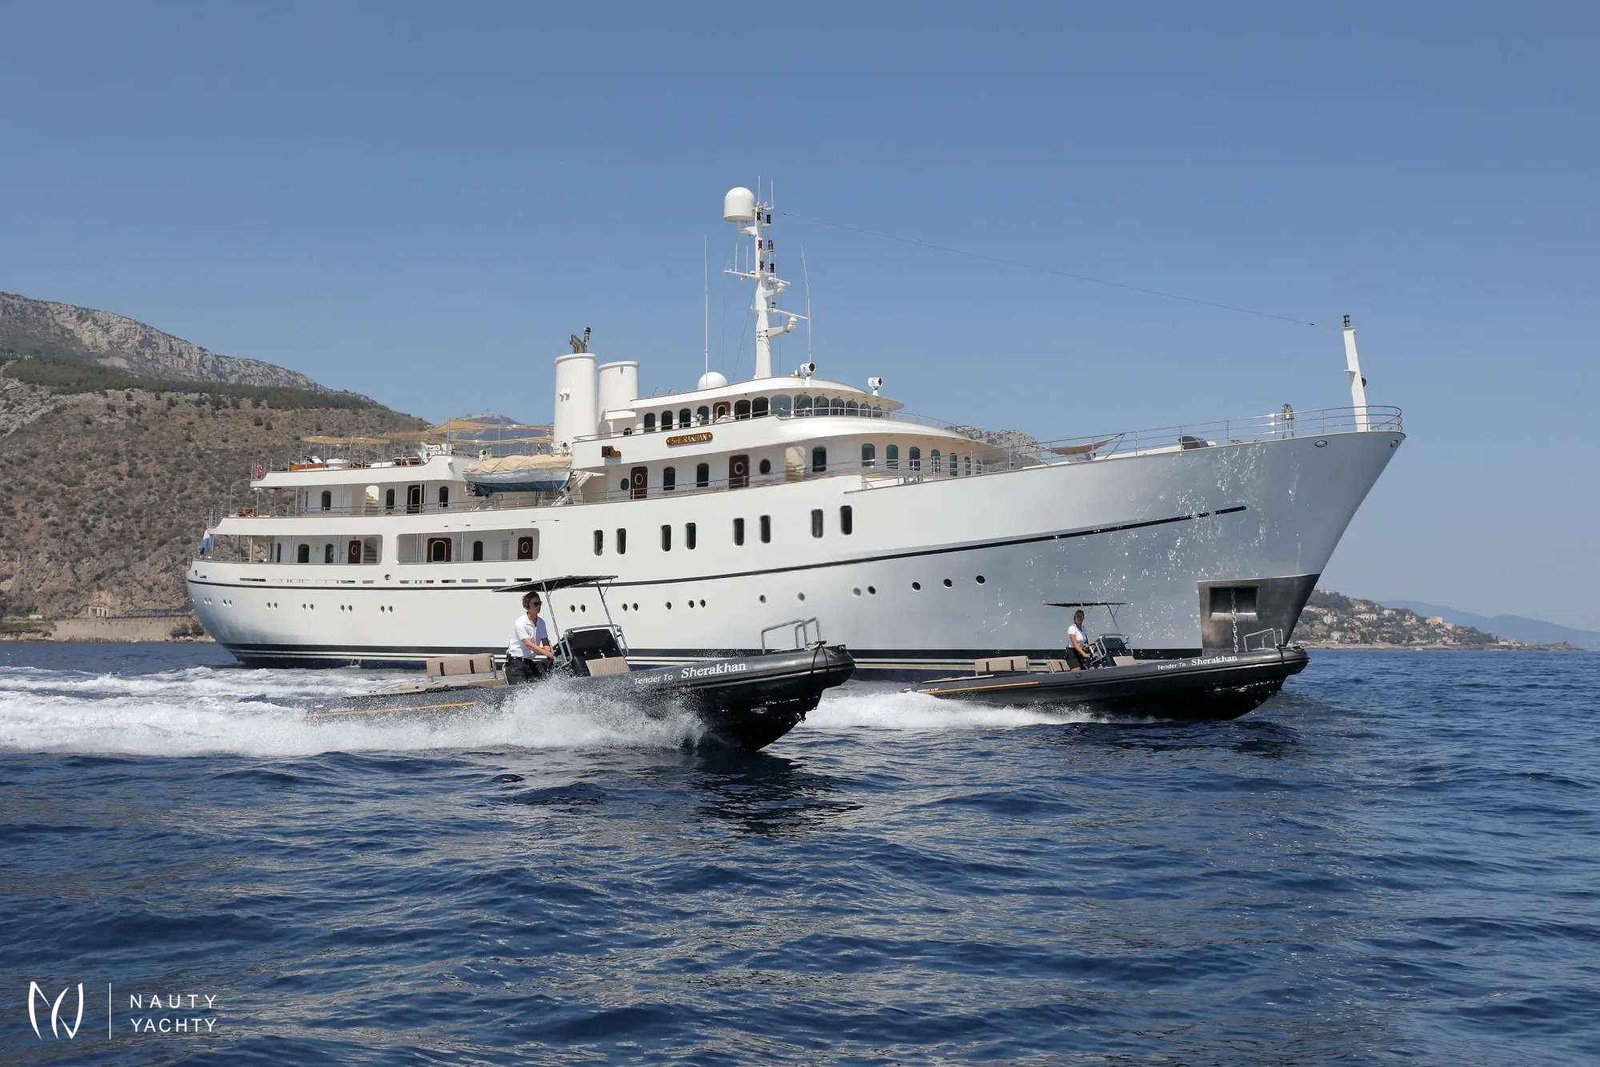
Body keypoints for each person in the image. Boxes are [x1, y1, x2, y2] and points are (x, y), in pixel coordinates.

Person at [505, 591, 554, 684]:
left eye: (540, 603)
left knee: (541, 686)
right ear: (527, 606)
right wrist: (547, 654)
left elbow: (545, 642)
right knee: (521, 690)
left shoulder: (541, 622)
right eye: (536, 604)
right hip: (516, 663)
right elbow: (529, 644)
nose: (539, 606)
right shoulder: (520, 622)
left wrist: (549, 653)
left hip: (529, 662)